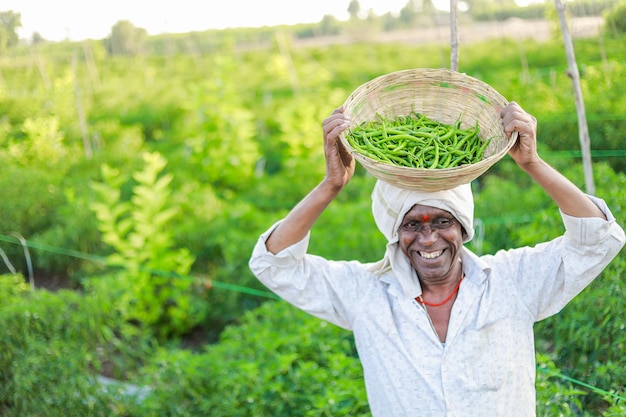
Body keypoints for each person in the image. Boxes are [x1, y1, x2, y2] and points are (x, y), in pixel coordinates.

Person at [248, 101, 625, 417]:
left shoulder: (511, 281)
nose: (428, 238)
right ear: (395, 233)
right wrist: (331, 185)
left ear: (462, 227)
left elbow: (596, 240)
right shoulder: (367, 294)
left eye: (442, 221)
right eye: (412, 224)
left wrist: (531, 163)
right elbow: (273, 264)